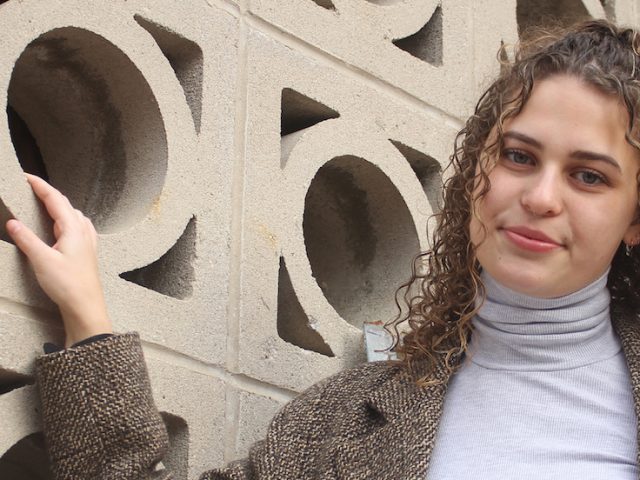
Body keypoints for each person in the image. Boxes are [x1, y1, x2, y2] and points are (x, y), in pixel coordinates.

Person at [8, 18, 640, 479]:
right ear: (478, 168)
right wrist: (89, 323)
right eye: (519, 156)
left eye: (590, 175)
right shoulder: (345, 424)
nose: (541, 196)